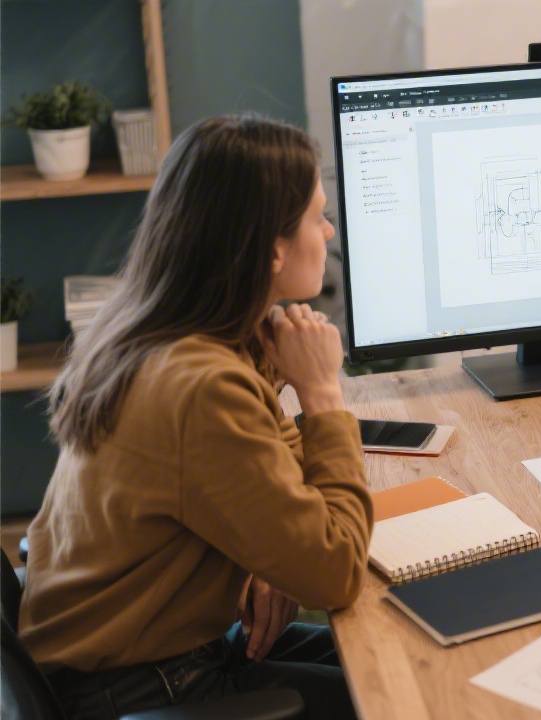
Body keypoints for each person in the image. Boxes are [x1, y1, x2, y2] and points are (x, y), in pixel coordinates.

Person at [19, 115, 372, 720]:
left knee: (380, 648)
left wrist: (274, 555)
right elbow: (335, 568)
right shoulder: (200, 386)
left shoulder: (165, 335)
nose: (330, 229)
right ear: (271, 249)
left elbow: (266, 488)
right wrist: (321, 393)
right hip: (141, 685)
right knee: (399, 693)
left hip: (127, 655)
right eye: (316, 216)